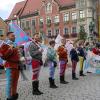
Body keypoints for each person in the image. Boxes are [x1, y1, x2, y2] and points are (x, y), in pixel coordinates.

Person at [0, 32, 20, 100]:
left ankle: (14, 95)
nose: (14, 37)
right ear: (8, 37)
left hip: (16, 66)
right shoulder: (5, 44)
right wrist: (10, 49)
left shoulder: (15, 44)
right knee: (10, 83)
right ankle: (9, 98)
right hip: (10, 66)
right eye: (12, 36)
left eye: (14, 36)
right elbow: (3, 56)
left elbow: (16, 55)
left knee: (15, 82)